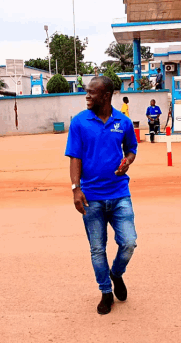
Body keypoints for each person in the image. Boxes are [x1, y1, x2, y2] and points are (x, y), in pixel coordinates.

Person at [65, 76, 138, 315]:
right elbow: (74, 156)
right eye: (86, 92)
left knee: (129, 242)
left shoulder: (123, 122)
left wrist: (127, 161)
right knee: (97, 249)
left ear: (106, 96)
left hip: (119, 194)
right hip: (91, 197)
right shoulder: (79, 122)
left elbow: (131, 150)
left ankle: (116, 274)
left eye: (91, 92)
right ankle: (106, 292)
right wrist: (76, 188)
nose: (87, 96)